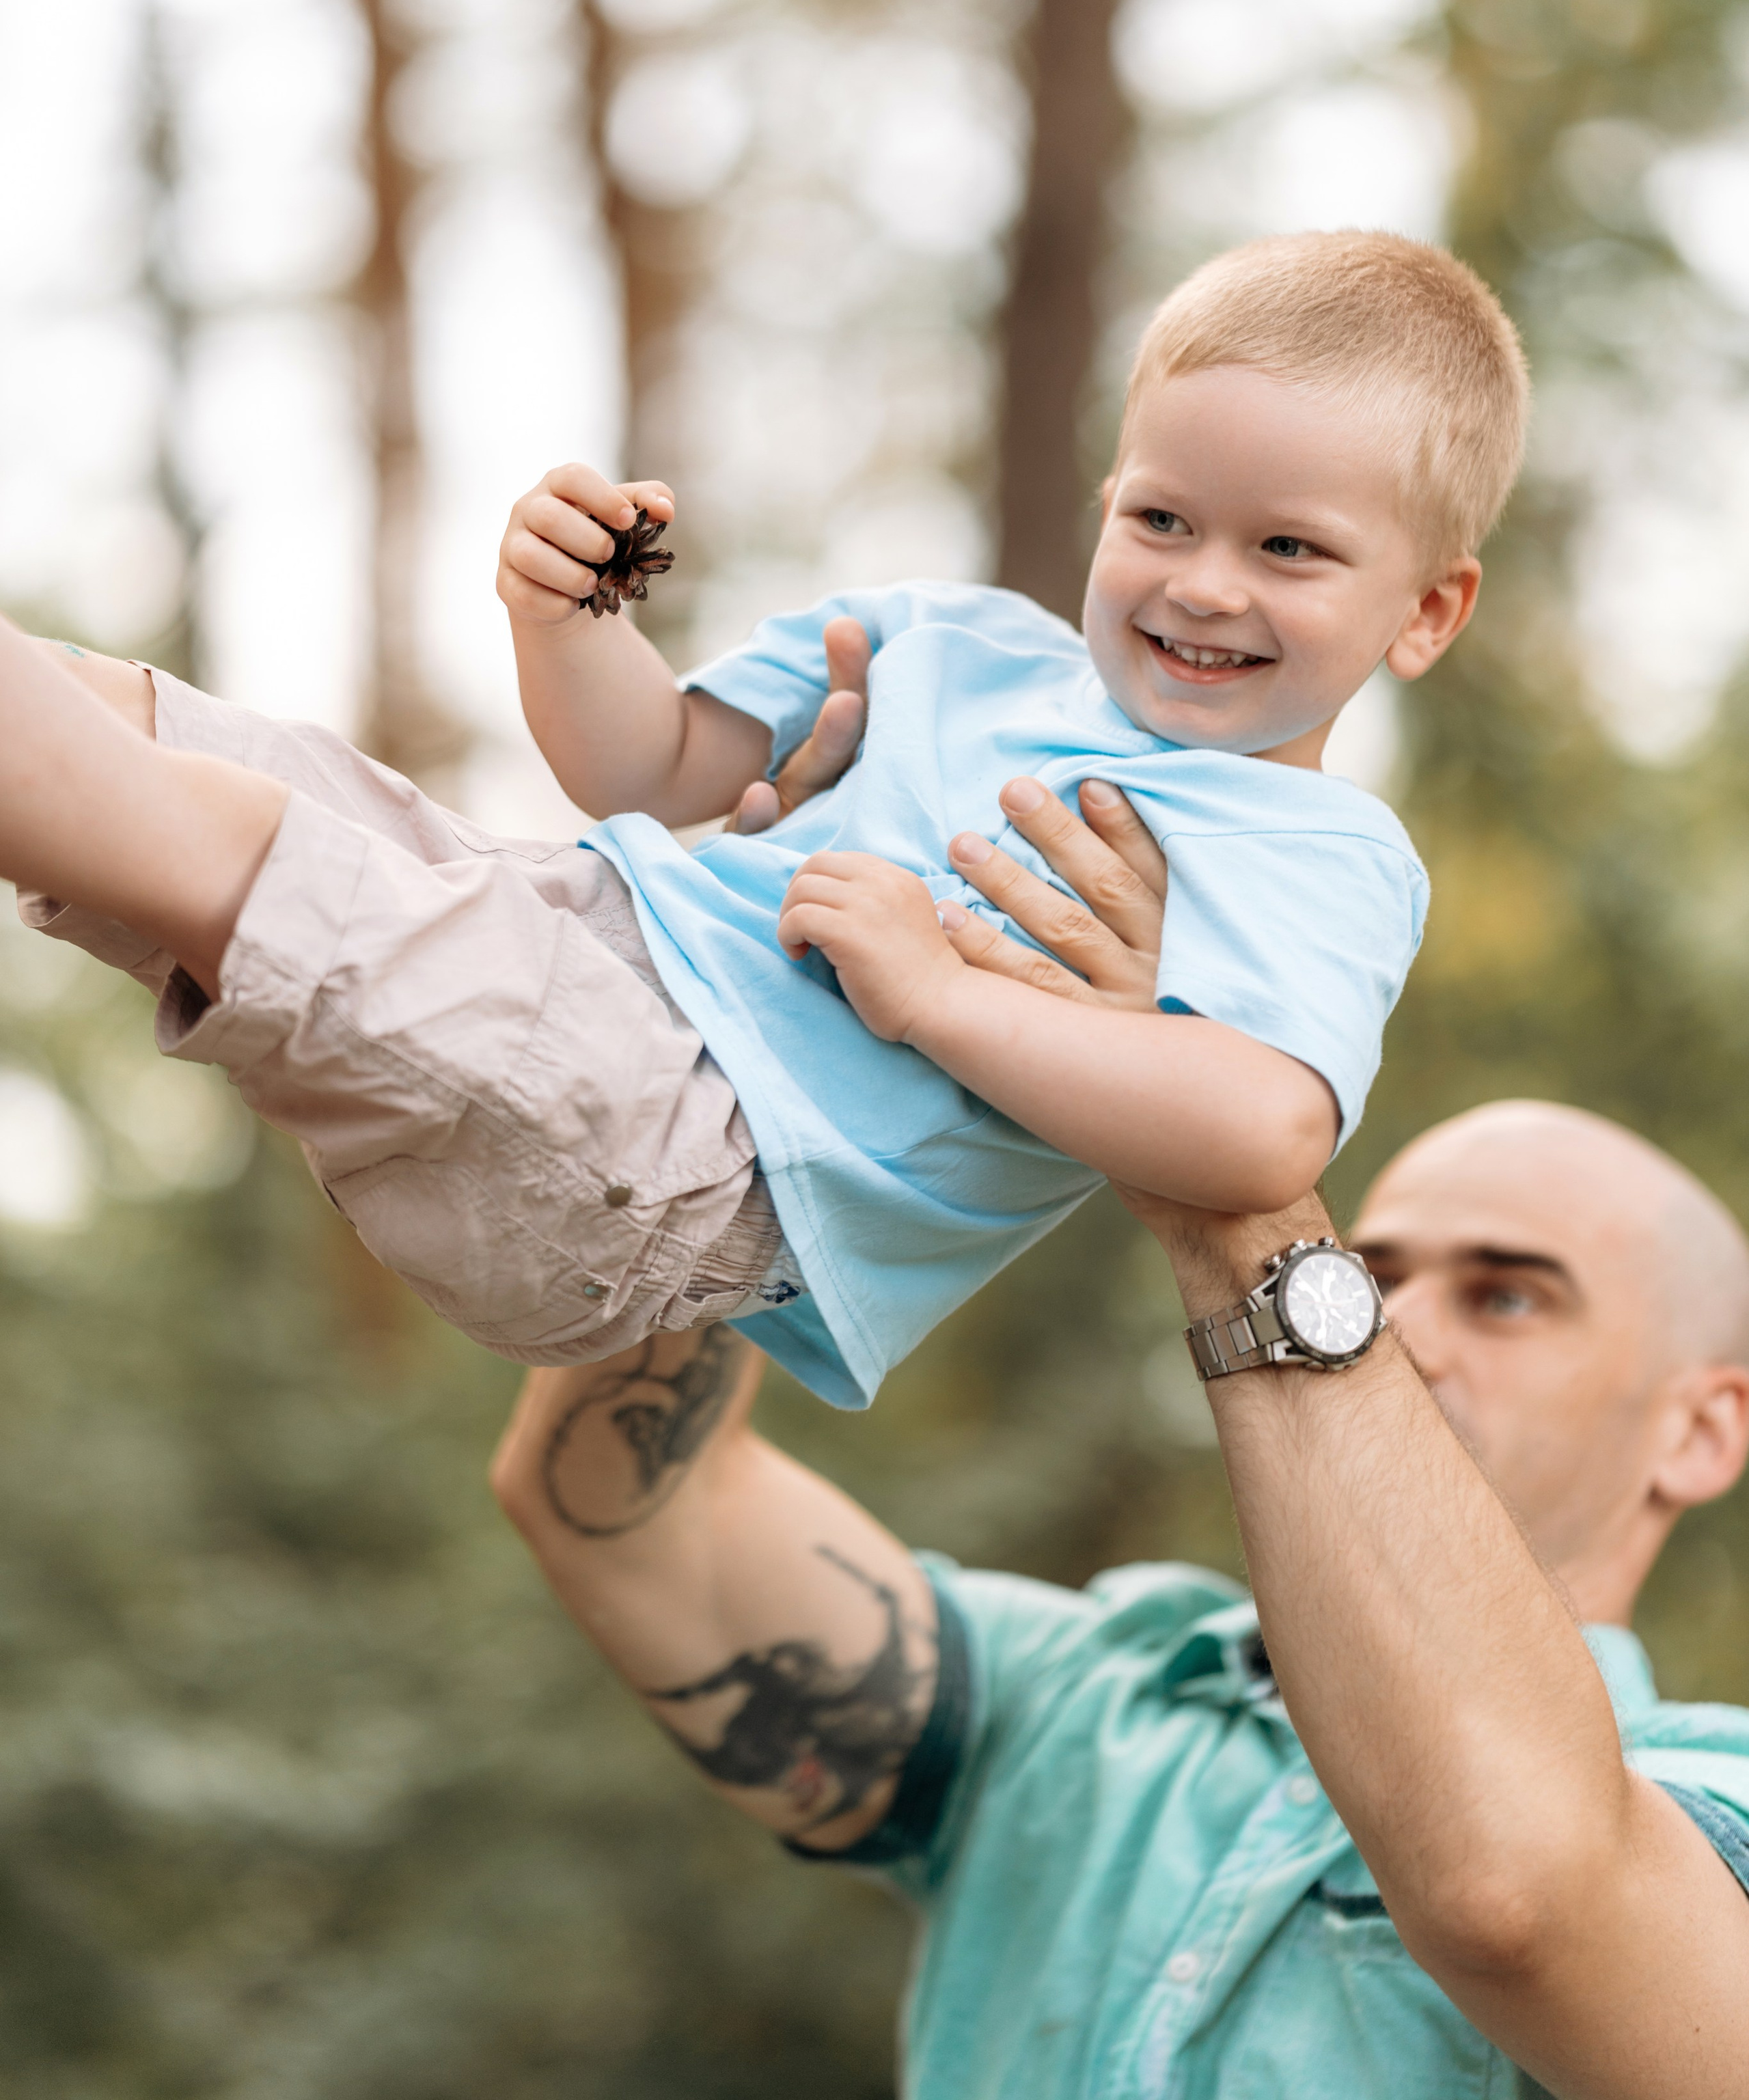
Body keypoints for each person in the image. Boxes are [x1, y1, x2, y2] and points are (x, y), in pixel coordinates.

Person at [3, 230, 1524, 1411]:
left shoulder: (1318, 852)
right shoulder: (948, 643)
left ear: (1425, 611)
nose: (1203, 583)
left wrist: (936, 998)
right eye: (1161, 519)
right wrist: (565, 617)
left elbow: (1264, 1129)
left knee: (211, 835)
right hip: (572, 922)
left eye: (1287, 550)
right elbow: (652, 768)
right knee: (142, 730)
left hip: (690, 1138)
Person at [490, 774, 1749, 2100]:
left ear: (1701, 1431)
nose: (1403, 1327)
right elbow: (630, 1512)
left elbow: (1519, 1894)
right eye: (1374, 1275)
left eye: (1508, 1297)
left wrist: (1232, 1198)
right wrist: (758, 1020)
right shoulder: (1072, 1700)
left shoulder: (1713, 1804)